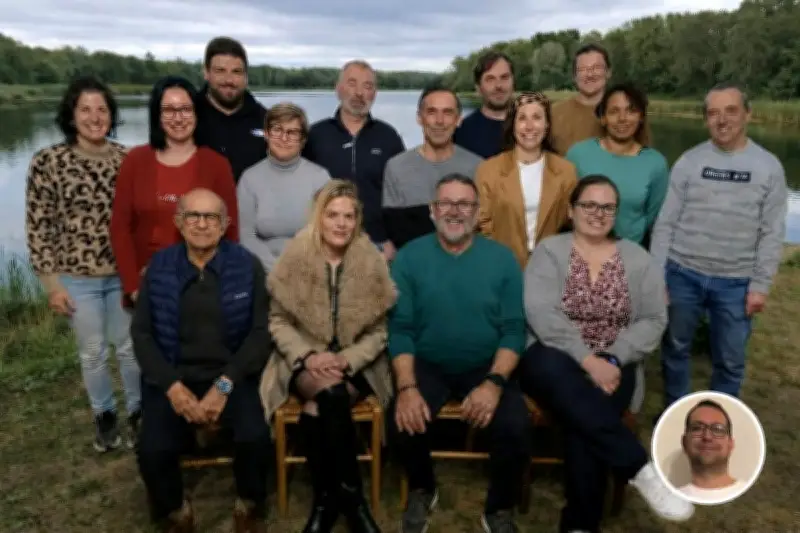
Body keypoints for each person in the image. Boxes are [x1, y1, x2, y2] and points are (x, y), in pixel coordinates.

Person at [519, 175, 695, 532]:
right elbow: (541, 313)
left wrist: (612, 359)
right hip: (553, 356)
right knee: (565, 380)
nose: (597, 213)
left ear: (616, 213)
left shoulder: (638, 259)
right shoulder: (550, 252)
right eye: (589, 205)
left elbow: (652, 318)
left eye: (607, 207)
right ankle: (639, 467)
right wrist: (588, 360)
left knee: (584, 419)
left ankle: (579, 525)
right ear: (571, 210)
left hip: (617, 363)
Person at [388, 174, 531, 533]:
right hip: (429, 361)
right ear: (433, 211)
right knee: (403, 420)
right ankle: (423, 488)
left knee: (515, 424)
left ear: (477, 212)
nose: (455, 211)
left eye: (464, 203)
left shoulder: (502, 259)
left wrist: (495, 383)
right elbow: (400, 329)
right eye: (446, 204)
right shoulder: (408, 258)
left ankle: (498, 509)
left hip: (486, 363)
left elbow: (515, 329)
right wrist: (406, 387)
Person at [259, 180, 396, 533]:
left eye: (349, 216)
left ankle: (327, 501)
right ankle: (353, 501)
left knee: (324, 402)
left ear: (358, 220)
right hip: (304, 362)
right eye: (332, 215)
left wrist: (347, 358)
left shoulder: (371, 259)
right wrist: (306, 355)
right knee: (329, 394)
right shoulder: (296, 255)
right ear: (318, 217)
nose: (341, 223)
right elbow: (277, 321)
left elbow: (379, 332)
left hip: (358, 363)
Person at [132, 188, 271, 533]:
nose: (202, 224)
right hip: (173, 377)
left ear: (224, 225)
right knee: (151, 449)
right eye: (193, 215)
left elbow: (259, 333)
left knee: (255, 437)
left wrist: (224, 386)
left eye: (212, 217)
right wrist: (173, 389)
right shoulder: (159, 268)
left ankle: (249, 504)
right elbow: (142, 336)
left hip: (230, 375)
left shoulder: (246, 265)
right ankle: (176, 510)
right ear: (179, 222)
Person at [650, 82, 788, 410]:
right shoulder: (689, 161)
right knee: (676, 348)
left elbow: (772, 233)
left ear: (748, 114)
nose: (721, 120)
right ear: (705, 119)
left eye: (730, 111)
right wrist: (659, 275)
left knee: (730, 360)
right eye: (713, 113)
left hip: (737, 283)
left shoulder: (769, 168)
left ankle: (718, 422)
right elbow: (665, 222)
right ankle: (676, 414)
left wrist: (761, 285)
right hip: (682, 273)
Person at [25, 76, 141, 453]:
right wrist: (51, 284)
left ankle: (139, 414)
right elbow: (38, 226)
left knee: (129, 347)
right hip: (77, 279)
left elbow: (139, 220)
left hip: (123, 275)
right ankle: (105, 418)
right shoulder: (48, 162)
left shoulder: (128, 159)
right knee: (93, 351)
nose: (95, 117)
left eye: (102, 109)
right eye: (86, 109)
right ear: (71, 115)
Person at [110, 76, 239, 308]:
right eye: (169, 109)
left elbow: (230, 229)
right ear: (157, 115)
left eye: (186, 109)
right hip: (146, 282)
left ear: (197, 113)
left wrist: (222, 282)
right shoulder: (136, 160)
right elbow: (120, 228)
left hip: (201, 284)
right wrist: (132, 286)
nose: (178, 118)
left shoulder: (216, 164)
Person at [303, 59, 405, 253]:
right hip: (323, 243)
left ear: (374, 94)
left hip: (377, 244)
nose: (359, 93)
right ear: (338, 89)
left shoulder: (388, 137)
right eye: (352, 83)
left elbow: (400, 193)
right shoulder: (315, 135)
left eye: (367, 86)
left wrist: (392, 239)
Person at [475, 91, 578, 267]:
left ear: (547, 125)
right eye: (522, 118)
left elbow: (573, 224)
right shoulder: (488, 170)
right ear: (513, 125)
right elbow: (481, 224)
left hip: (551, 268)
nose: (529, 126)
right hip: (501, 266)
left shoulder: (567, 171)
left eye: (537, 117)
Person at [382, 87, 483, 255]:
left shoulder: (478, 167)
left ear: (458, 120)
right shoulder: (396, 167)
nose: (439, 121)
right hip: (414, 267)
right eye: (431, 112)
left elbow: (481, 228)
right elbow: (396, 232)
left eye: (448, 113)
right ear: (419, 118)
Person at [566, 83, 668, 246]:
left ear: (641, 116)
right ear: (603, 118)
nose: (622, 118)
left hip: (628, 255)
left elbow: (653, 217)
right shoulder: (578, 154)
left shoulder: (656, 163)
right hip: (581, 250)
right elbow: (566, 206)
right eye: (614, 111)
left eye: (631, 111)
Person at [237, 103, 330, 274]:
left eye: (292, 132)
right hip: (263, 271)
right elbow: (246, 236)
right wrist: (277, 270)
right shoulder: (249, 179)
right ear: (266, 133)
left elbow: (327, 233)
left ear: (303, 140)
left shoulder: (320, 178)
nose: (284, 138)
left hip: (310, 270)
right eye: (277, 130)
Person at [197, 36, 268, 182]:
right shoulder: (187, 117)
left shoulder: (266, 120)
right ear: (206, 72)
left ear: (246, 76)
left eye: (236, 72)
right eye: (220, 71)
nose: (229, 80)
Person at [679, 400, 748, 502]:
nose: (707, 437)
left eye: (717, 429)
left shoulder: (750, 494)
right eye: (697, 428)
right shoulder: (673, 499)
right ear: (684, 442)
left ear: (730, 443)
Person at [549, 43, 610, 156]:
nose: (590, 74)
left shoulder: (626, 114)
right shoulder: (553, 113)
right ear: (574, 76)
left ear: (608, 72)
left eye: (596, 67)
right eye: (582, 69)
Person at [453, 51, 515, 159]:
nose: (498, 86)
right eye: (490, 79)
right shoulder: (462, 133)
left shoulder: (533, 127)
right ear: (478, 88)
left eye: (504, 77)